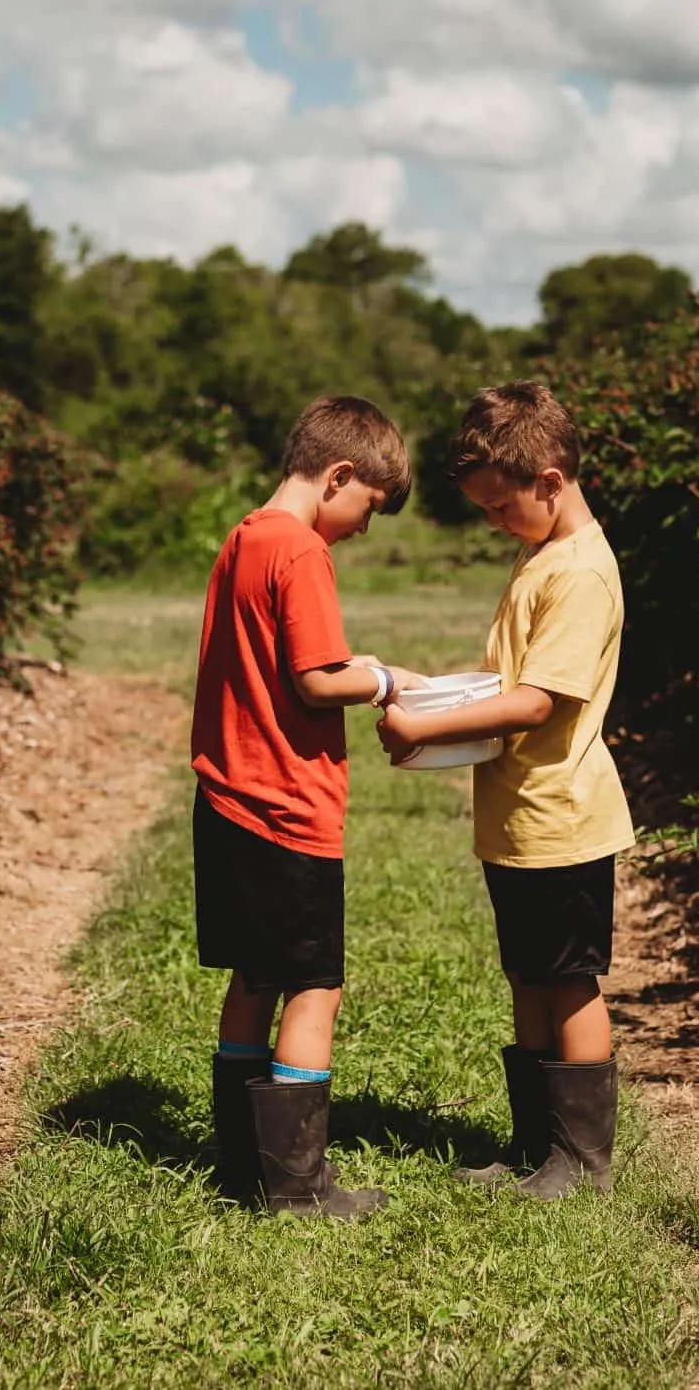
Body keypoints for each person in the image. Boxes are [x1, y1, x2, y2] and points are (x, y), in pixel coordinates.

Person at [378, 383, 633, 1199]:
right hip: (520, 814)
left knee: (568, 978)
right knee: (529, 973)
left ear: (551, 482)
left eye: (500, 505)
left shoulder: (581, 574)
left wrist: (425, 729)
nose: (494, 521)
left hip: (562, 813)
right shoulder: (542, 555)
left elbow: (539, 700)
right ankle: (536, 1144)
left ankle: (583, 1160)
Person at [192, 396, 420, 1218]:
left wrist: (355, 663)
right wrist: (389, 678)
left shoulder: (245, 536)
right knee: (314, 988)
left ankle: (240, 1165)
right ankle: (296, 1184)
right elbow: (318, 678)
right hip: (289, 807)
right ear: (340, 475)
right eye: (369, 507)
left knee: (255, 976)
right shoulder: (301, 552)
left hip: (226, 798)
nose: (363, 527)